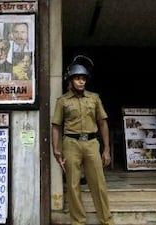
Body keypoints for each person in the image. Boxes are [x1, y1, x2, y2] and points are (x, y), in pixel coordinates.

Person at [51, 58, 114, 225]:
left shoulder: (94, 98)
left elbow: (102, 123)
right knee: (72, 184)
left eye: (83, 78)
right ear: (71, 80)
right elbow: (56, 125)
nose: (81, 81)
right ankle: (78, 221)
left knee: (98, 183)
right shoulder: (63, 101)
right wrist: (55, 149)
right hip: (71, 143)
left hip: (92, 143)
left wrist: (106, 149)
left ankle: (106, 220)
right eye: (77, 78)